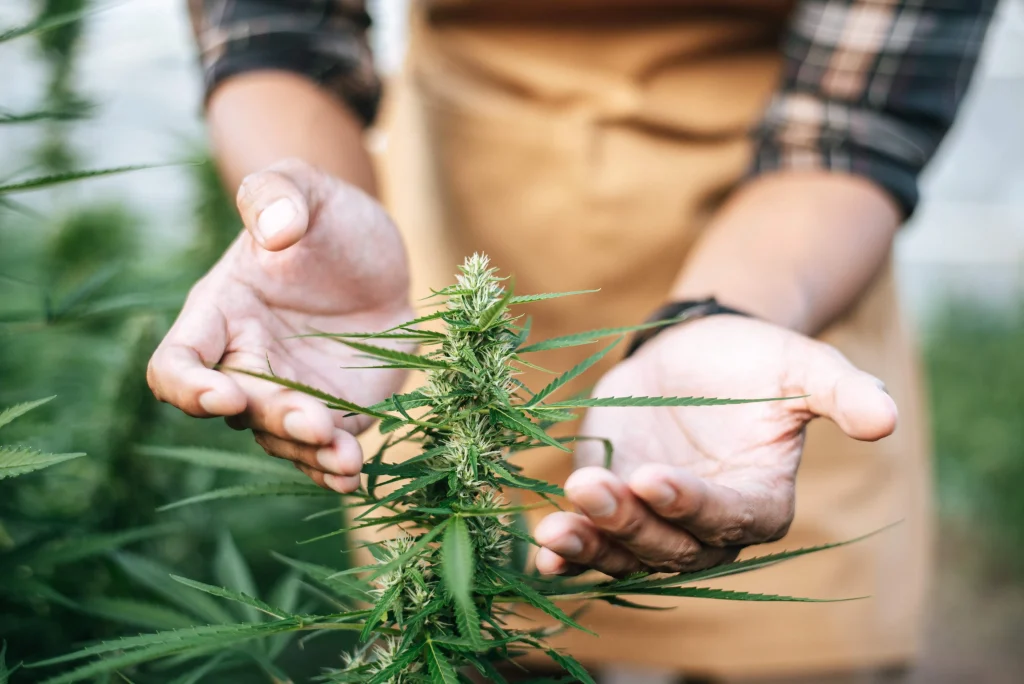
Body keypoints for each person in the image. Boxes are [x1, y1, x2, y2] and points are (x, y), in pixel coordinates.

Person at [150, 1, 997, 681]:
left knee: (782, 637)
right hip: (434, 295)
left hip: (768, 307)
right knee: (451, 625)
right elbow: (277, 28)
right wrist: (306, 217)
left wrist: (718, 316)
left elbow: (853, 125)